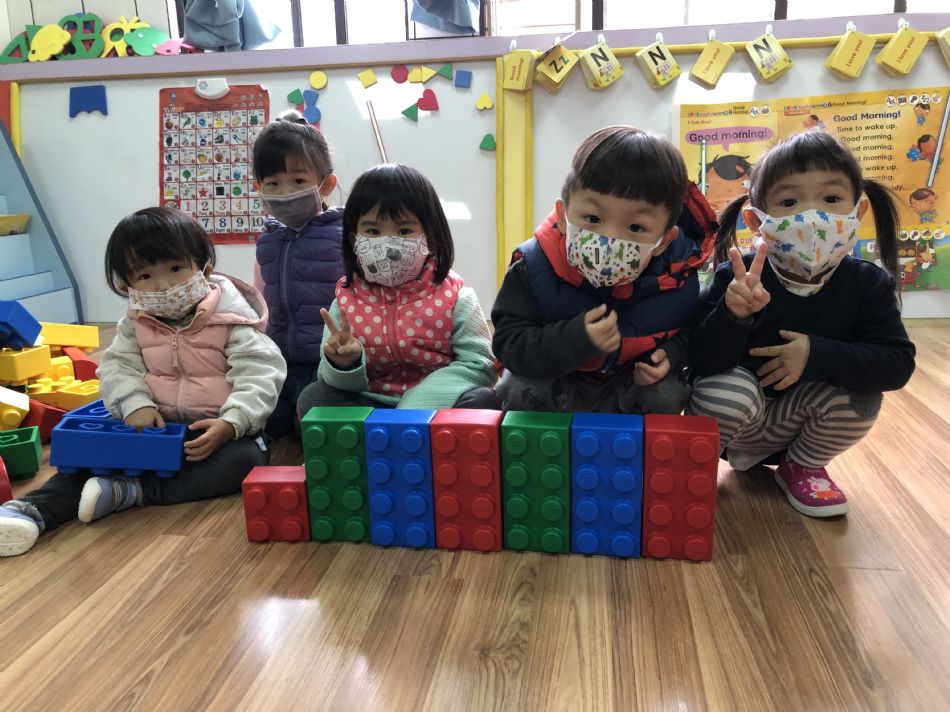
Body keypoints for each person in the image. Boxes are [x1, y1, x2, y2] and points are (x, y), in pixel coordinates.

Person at [0, 207, 286, 557]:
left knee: (245, 460)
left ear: (204, 268)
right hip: (151, 428)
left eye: (175, 269)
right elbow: (117, 368)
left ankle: (134, 491)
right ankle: (31, 510)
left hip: (210, 432)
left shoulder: (231, 320)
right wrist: (135, 403)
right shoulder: (135, 325)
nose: (163, 285)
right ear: (127, 285)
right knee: (87, 459)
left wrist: (233, 421)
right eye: (145, 275)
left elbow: (261, 372)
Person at [686, 130, 916, 518]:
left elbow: (896, 364)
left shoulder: (868, 283)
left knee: (864, 398)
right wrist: (733, 315)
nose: (812, 218)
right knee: (726, 389)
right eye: (789, 202)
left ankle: (803, 467)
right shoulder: (737, 277)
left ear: (857, 211)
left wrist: (815, 355)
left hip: (797, 426)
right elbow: (698, 362)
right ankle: (695, 467)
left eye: (831, 199)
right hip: (733, 421)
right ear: (756, 220)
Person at [491, 125, 716, 414]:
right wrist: (574, 340)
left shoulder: (677, 280)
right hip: (557, 385)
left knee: (666, 393)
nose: (609, 239)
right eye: (593, 218)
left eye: (635, 227)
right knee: (519, 386)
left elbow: (688, 334)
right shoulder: (534, 266)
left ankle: (629, 445)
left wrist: (669, 355)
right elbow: (508, 343)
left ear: (663, 241)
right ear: (562, 216)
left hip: (624, 390)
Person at [296, 164, 498, 414]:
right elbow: (330, 379)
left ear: (430, 238)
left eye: (404, 231)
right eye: (373, 231)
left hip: (436, 407)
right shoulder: (345, 301)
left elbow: (480, 365)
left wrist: (415, 407)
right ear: (354, 240)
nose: (388, 242)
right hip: (368, 406)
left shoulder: (457, 298)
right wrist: (345, 364)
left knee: (483, 400)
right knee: (314, 397)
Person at [252, 110, 342, 438]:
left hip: (326, 363)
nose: (285, 192)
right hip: (279, 361)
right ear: (259, 187)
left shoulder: (342, 235)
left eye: (299, 182)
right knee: (269, 427)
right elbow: (261, 298)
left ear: (326, 184)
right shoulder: (268, 240)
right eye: (273, 184)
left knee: (312, 434)